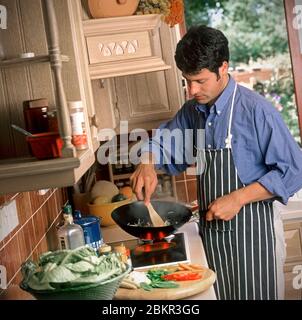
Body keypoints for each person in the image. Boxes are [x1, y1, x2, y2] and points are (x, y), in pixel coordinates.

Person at [130, 25, 302, 300]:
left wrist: (238, 198)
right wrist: (147, 162)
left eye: (199, 81)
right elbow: (165, 142)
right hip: (213, 241)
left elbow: (294, 170)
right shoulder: (193, 111)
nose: (191, 90)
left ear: (223, 68)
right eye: (187, 81)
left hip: (255, 241)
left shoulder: (257, 111)